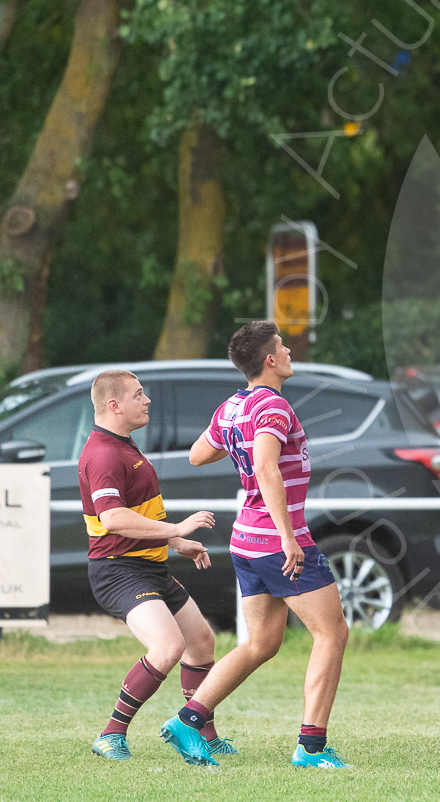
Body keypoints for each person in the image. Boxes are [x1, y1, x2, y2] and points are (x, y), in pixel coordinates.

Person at [163, 321, 351, 769]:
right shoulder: (274, 406)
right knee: (332, 633)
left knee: (261, 643)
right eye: (282, 347)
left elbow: (197, 454)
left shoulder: (232, 407)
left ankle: (188, 720)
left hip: (245, 540)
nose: (288, 352)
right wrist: (289, 538)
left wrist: (237, 442)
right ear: (269, 359)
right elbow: (266, 468)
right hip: (275, 540)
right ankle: (311, 747)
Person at [79, 370, 224, 762]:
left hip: (149, 567)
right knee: (168, 646)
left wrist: (176, 543)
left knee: (201, 642)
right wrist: (177, 528)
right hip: (118, 571)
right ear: (114, 405)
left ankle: (204, 734)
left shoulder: (123, 445)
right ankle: (110, 735)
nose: (147, 401)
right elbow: (113, 518)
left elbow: (138, 513)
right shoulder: (104, 453)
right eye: (138, 394)